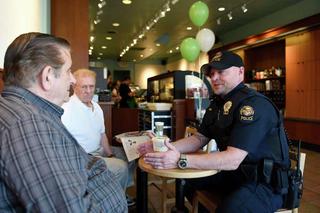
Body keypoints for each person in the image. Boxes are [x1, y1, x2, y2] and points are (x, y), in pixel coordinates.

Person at [138, 51, 290, 212]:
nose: (214, 78)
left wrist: (180, 160)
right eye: (212, 73)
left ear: (240, 72)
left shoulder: (253, 105)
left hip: (265, 183)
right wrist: (165, 147)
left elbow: (233, 159)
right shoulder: (217, 103)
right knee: (186, 182)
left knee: (231, 209)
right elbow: (199, 138)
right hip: (235, 175)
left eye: (221, 72)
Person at [0, 32, 127, 212]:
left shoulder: (31, 114)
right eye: (68, 71)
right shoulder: (28, 125)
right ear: (48, 76)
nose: (72, 79)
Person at [61, 68, 136, 207]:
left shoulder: (97, 107)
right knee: (121, 167)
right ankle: (114, 202)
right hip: (85, 157)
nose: (89, 91)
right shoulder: (66, 109)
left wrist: (110, 154)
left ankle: (119, 190)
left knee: (132, 153)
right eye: (84, 87)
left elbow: (102, 135)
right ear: (74, 86)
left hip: (100, 150)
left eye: (91, 86)